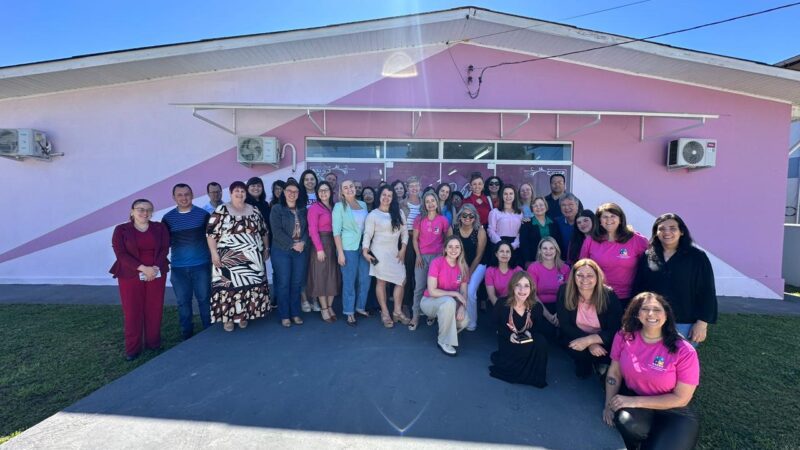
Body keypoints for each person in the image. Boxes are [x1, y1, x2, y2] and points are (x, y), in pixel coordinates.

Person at [603, 292, 700, 450]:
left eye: (657, 309)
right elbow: (614, 373)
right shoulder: (624, 336)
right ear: (637, 314)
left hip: (673, 410)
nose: (651, 314)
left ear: (666, 314)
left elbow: (681, 398)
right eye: (645, 309)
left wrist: (634, 401)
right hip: (637, 405)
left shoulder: (684, 350)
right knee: (628, 424)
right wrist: (608, 404)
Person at [633, 213, 717, 345]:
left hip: (684, 322)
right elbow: (639, 288)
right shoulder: (648, 255)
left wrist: (702, 323)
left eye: (673, 228)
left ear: (681, 231)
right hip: (652, 319)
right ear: (656, 233)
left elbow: (707, 290)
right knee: (654, 361)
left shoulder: (697, 257)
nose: (667, 232)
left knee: (679, 362)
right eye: (661, 229)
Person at [206, 181, 271, 331]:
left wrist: (266, 248)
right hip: (228, 258)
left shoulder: (254, 210)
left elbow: (264, 232)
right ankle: (228, 319)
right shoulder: (222, 210)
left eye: (242, 191)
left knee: (247, 287)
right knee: (228, 288)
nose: (240, 193)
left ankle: (243, 315)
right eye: (237, 191)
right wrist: (214, 253)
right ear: (230, 193)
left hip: (252, 258)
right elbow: (211, 234)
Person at [110, 199, 170, 360]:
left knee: (154, 308)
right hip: (130, 274)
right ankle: (133, 348)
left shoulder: (159, 227)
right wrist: (143, 268)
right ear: (132, 211)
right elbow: (120, 253)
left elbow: (165, 248)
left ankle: (153, 343)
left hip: (156, 273)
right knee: (132, 311)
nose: (145, 213)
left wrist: (155, 267)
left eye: (149, 210)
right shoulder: (121, 230)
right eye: (141, 209)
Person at [161, 184, 212, 340]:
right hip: (178, 269)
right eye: (180, 195)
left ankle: (209, 330)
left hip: (201, 266)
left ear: (192, 195)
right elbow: (164, 243)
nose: (184, 198)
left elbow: (212, 239)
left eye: (187, 194)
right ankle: (186, 333)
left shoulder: (203, 215)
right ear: (174, 197)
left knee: (204, 299)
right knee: (183, 302)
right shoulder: (167, 218)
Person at [557, 259, 622, 378]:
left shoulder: (609, 295)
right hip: (576, 335)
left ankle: (601, 362)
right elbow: (565, 325)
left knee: (610, 352)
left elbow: (615, 329)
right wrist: (589, 343)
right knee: (579, 361)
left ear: (597, 277)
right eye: (580, 275)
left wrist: (592, 340)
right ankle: (587, 362)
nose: (584, 279)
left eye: (590, 275)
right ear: (573, 277)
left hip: (603, 338)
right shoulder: (564, 291)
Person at [580, 202, 649, 307]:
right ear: (599, 220)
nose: (609, 220)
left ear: (621, 219)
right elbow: (582, 268)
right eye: (605, 217)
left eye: (613, 216)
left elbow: (649, 266)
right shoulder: (591, 240)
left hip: (630, 298)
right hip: (599, 297)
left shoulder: (637, 240)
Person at [488, 271, 549, 388]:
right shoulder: (502, 304)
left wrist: (529, 332)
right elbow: (494, 325)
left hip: (526, 341)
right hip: (508, 342)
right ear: (512, 286)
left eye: (526, 286)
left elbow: (538, 328)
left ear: (531, 288)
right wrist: (508, 335)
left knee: (541, 341)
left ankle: (535, 374)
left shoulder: (536, 307)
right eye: (518, 285)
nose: (522, 290)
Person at [362, 185, 410, 328]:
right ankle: (385, 313)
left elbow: (405, 233)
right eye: (384, 194)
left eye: (389, 195)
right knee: (381, 282)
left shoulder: (399, 213)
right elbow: (367, 234)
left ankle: (397, 311)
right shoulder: (373, 215)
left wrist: (403, 249)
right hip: (378, 254)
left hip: (395, 253)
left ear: (392, 198)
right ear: (379, 196)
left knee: (401, 280)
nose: (386, 197)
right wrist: (365, 250)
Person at [420, 236, 471, 356]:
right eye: (450, 247)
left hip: (449, 303)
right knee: (449, 302)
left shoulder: (463, 267)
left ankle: (444, 330)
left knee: (464, 321)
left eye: (457, 247)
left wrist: (462, 308)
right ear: (445, 249)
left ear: (461, 250)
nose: (454, 250)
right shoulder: (437, 263)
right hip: (429, 301)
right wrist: (455, 293)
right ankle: (443, 341)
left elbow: (464, 292)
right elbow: (432, 291)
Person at [269, 178, 310, 328]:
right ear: (284, 193)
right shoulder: (277, 209)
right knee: (284, 283)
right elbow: (277, 232)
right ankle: (284, 315)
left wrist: (303, 242)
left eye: (295, 191)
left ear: (299, 194)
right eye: (289, 191)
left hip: (300, 250)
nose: (292, 194)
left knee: (297, 283)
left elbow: (307, 230)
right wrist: (293, 244)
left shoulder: (303, 209)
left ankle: (295, 313)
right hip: (282, 250)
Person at [333, 179, 371, 326]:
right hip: (348, 248)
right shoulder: (339, 207)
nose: (349, 189)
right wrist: (340, 253)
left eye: (351, 186)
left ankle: (360, 307)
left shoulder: (362, 204)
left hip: (364, 247)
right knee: (349, 281)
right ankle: (349, 311)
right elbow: (336, 233)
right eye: (345, 187)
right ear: (341, 191)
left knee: (365, 278)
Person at [411, 191, 449, 330]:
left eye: (433, 200)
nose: (430, 203)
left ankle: (431, 314)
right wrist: (418, 255)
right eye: (427, 201)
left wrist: (444, 256)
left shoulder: (443, 220)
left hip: (438, 258)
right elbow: (414, 239)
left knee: (434, 288)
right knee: (419, 287)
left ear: (437, 202)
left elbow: (449, 239)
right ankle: (415, 315)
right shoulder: (419, 219)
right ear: (424, 204)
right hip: (422, 257)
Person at [447, 204, 487, 332]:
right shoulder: (453, 229)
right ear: (459, 217)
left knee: (469, 291)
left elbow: (479, 255)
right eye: (464, 215)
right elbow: (449, 251)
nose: (467, 218)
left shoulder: (480, 231)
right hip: (458, 264)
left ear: (475, 217)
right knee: (455, 289)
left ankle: (471, 322)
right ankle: (457, 318)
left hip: (478, 265)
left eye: (471, 215)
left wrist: (468, 273)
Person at [307, 181, 342, 323]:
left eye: (326, 190)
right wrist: (319, 249)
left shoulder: (334, 207)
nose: (323, 193)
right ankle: (324, 308)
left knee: (333, 276)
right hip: (320, 244)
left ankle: (329, 305)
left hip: (334, 243)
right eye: (320, 190)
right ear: (317, 193)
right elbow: (312, 230)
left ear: (331, 191)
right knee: (321, 276)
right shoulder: (315, 208)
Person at [527, 237, 569, 331]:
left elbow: (568, 294)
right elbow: (532, 295)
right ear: (540, 251)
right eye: (545, 248)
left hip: (561, 307)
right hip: (539, 307)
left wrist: (559, 314)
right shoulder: (533, 268)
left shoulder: (565, 268)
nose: (548, 251)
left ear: (556, 250)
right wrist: (549, 316)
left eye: (551, 248)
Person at [298, 170, 319, 312]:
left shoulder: (321, 195)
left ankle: (315, 299)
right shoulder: (299, 196)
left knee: (315, 271)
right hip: (303, 238)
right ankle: (304, 299)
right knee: (303, 270)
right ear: (303, 181)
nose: (310, 181)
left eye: (312, 179)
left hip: (318, 238)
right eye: (307, 179)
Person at [400, 176, 422, 315]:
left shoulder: (424, 203)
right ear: (407, 189)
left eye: (416, 185)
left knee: (420, 273)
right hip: (407, 240)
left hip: (422, 241)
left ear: (420, 187)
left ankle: (419, 303)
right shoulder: (402, 204)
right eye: (411, 186)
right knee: (407, 272)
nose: (414, 188)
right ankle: (405, 303)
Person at [520, 196, 563, 267]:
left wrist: (560, 258)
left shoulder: (554, 222)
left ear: (546, 207)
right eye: (535, 206)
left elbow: (559, 241)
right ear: (532, 209)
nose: (538, 207)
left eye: (541, 205)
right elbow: (524, 244)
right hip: (533, 261)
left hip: (553, 260)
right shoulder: (526, 224)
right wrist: (527, 261)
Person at [487, 184, 523, 268]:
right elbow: (490, 230)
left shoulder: (520, 213)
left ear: (515, 196)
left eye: (511, 193)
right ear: (501, 196)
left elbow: (520, 232)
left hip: (515, 246)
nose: (508, 196)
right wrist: (500, 243)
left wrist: (514, 244)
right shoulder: (494, 212)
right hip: (499, 245)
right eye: (505, 194)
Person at [484, 242, 522, 307]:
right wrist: (503, 311)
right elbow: (492, 296)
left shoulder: (518, 270)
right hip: (497, 304)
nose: (505, 254)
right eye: (501, 251)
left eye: (507, 252)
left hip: (516, 304)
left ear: (511, 254)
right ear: (496, 254)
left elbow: (522, 293)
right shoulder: (490, 271)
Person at [246, 177, 272, 249]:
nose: (256, 188)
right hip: (252, 244)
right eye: (253, 186)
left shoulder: (265, 204)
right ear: (247, 188)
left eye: (259, 186)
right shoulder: (245, 205)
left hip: (267, 242)